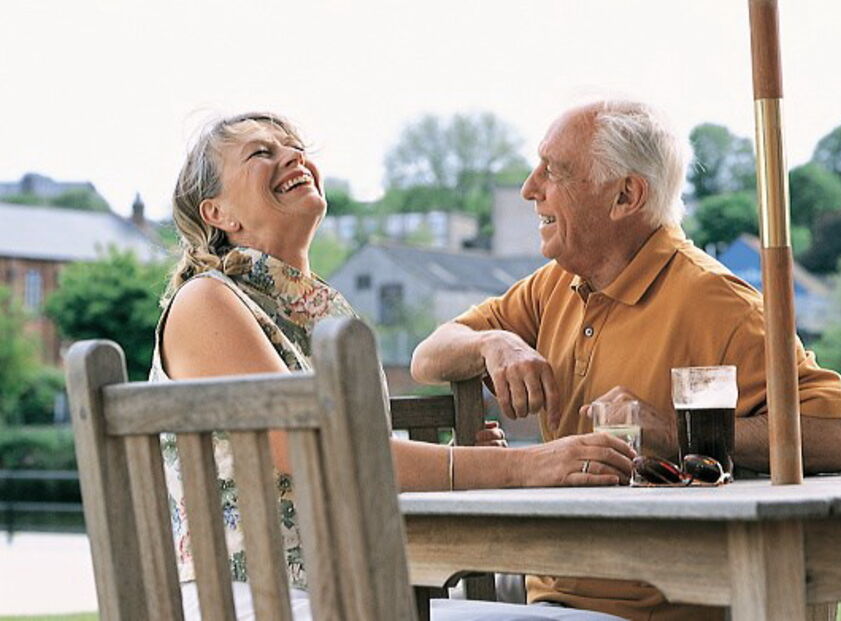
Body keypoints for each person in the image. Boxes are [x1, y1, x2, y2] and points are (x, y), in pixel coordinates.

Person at [410, 99, 841, 621]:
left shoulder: (720, 304)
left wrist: (676, 429)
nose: (529, 187)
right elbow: (428, 358)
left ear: (625, 196)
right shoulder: (555, 287)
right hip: (548, 601)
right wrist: (492, 343)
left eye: (554, 172)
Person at [155, 112, 631, 620]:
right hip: (256, 600)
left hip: (357, 593)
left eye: (293, 146)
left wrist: (459, 461)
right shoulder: (206, 302)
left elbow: (359, 462)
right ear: (219, 213)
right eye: (261, 153)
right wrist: (528, 465)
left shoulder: (320, 313)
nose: (293, 156)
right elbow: (324, 455)